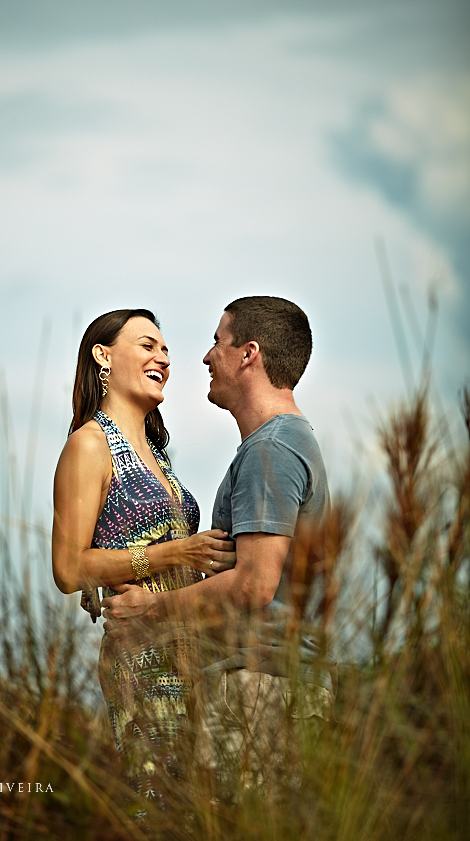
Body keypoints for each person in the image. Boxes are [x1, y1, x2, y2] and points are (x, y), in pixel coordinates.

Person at [102, 296, 335, 796]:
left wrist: (150, 608)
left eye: (217, 342)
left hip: (259, 688)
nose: (206, 357)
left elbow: (253, 585)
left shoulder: (272, 449)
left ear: (248, 354)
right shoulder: (280, 443)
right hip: (271, 684)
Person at [52, 308, 236, 796]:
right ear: (103, 356)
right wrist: (176, 554)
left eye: (166, 350)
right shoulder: (90, 446)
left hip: (197, 653)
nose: (163, 358)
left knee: (204, 818)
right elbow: (69, 568)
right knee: (159, 812)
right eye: (147, 345)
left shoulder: (157, 453)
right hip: (143, 657)